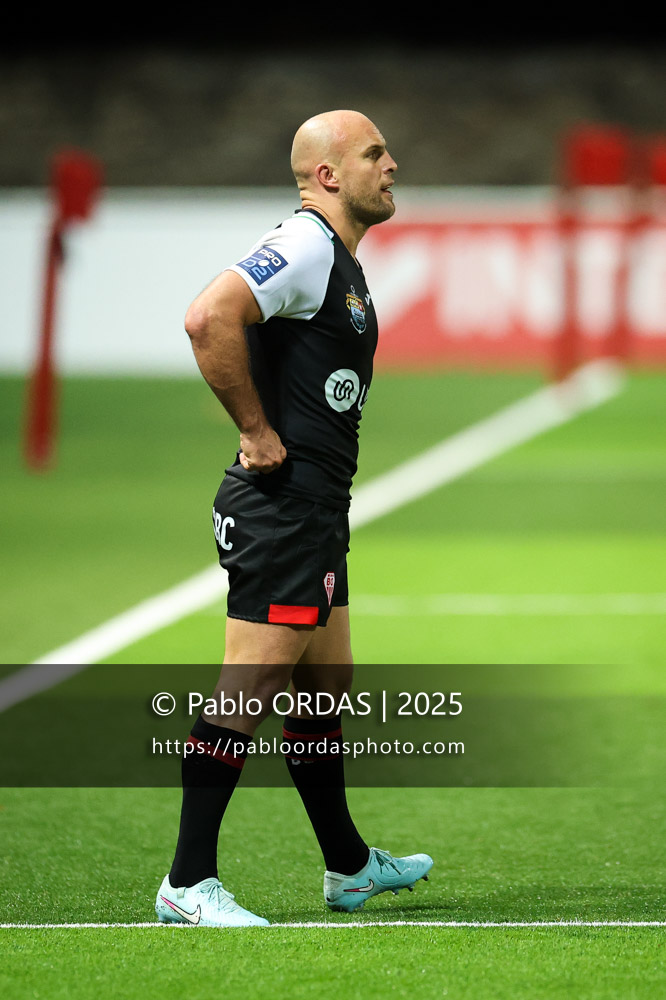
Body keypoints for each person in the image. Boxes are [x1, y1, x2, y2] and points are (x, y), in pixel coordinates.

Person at [155, 110, 433, 927]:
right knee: (253, 684)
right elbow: (208, 317)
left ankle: (348, 868)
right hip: (281, 507)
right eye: (374, 153)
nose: (392, 164)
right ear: (327, 175)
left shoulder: (340, 260)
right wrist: (254, 429)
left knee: (323, 684)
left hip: (316, 510)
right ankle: (187, 881)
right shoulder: (309, 245)